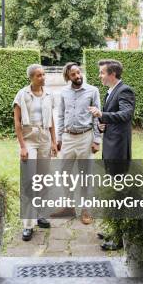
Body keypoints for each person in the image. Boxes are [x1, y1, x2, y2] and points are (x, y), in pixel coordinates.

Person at [89, 59, 135, 250]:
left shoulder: (124, 90)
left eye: (102, 73)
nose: (100, 76)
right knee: (114, 191)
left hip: (117, 149)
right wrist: (104, 124)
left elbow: (126, 115)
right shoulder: (112, 92)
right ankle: (115, 231)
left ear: (112, 74)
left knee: (118, 193)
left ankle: (118, 240)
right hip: (110, 146)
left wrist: (102, 115)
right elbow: (116, 118)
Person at [13, 64, 58, 241]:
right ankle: (28, 225)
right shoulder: (22, 94)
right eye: (39, 75)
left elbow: (51, 120)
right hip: (29, 139)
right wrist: (23, 146)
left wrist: (54, 141)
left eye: (43, 74)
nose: (43, 77)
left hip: (45, 138)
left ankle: (41, 215)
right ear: (31, 77)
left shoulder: (48, 95)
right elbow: (17, 122)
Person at [55, 62, 101, 224]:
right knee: (63, 172)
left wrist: (96, 140)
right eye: (73, 74)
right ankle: (68, 207)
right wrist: (59, 138)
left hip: (85, 137)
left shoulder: (92, 91)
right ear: (68, 77)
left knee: (85, 174)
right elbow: (60, 115)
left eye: (78, 72)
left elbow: (97, 116)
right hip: (67, 138)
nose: (78, 76)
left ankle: (85, 209)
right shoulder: (63, 92)